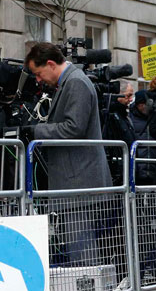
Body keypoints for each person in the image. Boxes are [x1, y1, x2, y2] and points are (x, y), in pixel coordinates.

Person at [25, 42, 111, 189]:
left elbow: (74, 128)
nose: (38, 80)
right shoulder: (70, 81)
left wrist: (36, 131)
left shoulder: (75, 82)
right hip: (77, 181)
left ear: (51, 64)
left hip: (81, 184)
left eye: (38, 73)